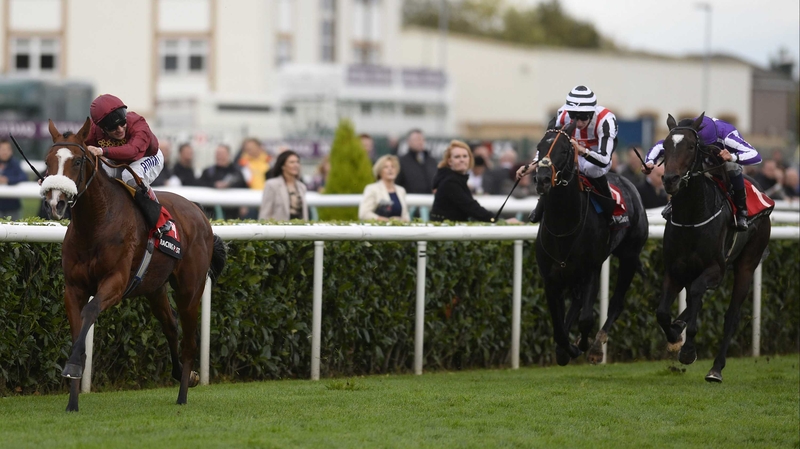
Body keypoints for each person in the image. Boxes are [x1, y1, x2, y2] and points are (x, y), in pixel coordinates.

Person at [517, 85, 620, 225]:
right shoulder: (562, 114)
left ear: (592, 113)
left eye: (583, 117)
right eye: (573, 116)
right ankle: (541, 205)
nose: (578, 122)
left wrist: (582, 150)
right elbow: (549, 145)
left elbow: (604, 159)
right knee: (556, 167)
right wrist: (533, 164)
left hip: (596, 159)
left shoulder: (606, 120)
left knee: (590, 170)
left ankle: (610, 212)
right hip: (573, 154)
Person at [643, 115, 762, 231]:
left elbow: (756, 155)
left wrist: (732, 156)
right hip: (701, 157)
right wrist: (649, 162)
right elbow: (661, 145)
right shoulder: (690, 134)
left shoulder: (728, 137)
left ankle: (742, 211)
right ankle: (674, 203)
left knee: (733, 167)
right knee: (687, 170)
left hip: (725, 158)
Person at [86, 94, 165, 232]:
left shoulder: (138, 123)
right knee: (102, 176)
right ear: (101, 128)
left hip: (148, 157)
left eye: (122, 123)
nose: (120, 129)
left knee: (129, 177)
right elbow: (72, 151)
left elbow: (133, 151)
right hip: (119, 159)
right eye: (113, 127)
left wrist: (101, 151)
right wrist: (49, 175)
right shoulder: (93, 131)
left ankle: (160, 219)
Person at [430, 140, 520, 223]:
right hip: (445, 232)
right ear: (449, 161)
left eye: (465, 156)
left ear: (469, 159)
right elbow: (471, 207)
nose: (462, 159)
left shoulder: (454, 178)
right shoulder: (450, 181)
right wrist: (500, 221)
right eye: (457, 157)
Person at [199, 144, 247, 219]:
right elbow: (200, 185)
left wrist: (228, 185)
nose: (219, 156)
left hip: (232, 212)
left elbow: (243, 186)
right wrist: (214, 185)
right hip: (211, 212)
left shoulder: (236, 172)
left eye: (222, 154)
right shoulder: (208, 171)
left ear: (228, 155)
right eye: (218, 154)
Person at [259, 150, 309, 221]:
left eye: (297, 162)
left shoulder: (302, 187)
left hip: (299, 229)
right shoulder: (272, 185)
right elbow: (265, 213)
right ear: (283, 166)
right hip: (279, 229)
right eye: (292, 162)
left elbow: (304, 213)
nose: (296, 165)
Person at [358, 155, 410, 221]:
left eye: (393, 167)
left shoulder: (401, 190)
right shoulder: (372, 189)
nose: (390, 169)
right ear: (379, 171)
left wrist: (402, 220)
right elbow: (364, 214)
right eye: (386, 167)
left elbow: (406, 216)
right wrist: (384, 220)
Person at [395, 129, 438, 195]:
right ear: (408, 142)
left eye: (421, 139)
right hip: (410, 201)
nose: (420, 142)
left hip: (430, 201)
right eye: (416, 139)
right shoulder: (401, 161)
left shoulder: (431, 161)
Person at [237, 138, 271, 219]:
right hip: (250, 204)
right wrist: (242, 203)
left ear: (260, 147)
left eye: (251, 147)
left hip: (267, 202)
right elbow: (240, 184)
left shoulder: (269, 162)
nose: (249, 150)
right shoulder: (242, 163)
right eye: (246, 148)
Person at [0, 139, 28, 220]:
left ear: (11, 151)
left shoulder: (15, 164)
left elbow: (23, 177)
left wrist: (8, 180)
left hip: (12, 206)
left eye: (7, 149)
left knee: (13, 230)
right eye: (2, 149)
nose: (5, 152)